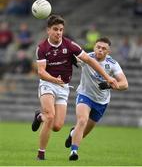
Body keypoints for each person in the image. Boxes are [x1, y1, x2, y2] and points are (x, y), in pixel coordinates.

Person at [31, 15, 118, 160]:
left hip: (63, 87)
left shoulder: (70, 45)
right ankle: (41, 154)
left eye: (61, 30)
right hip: (47, 84)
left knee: (57, 126)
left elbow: (90, 60)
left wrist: (108, 77)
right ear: (48, 30)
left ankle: (40, 116)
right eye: (55, 29)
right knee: (51, 116)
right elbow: (41, 72)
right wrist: (53, 79)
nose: (59, 32)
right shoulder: (42, 48)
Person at [65, 37, 128, 161]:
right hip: (85, 95)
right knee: (82, 121)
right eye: (98, 47)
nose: (100, 50)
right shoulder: (87, 57)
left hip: (101, 101)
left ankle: (73, 133)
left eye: (104, 48)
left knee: (82, 132)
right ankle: (74, 152)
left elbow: (125, 84)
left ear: (108, 51)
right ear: (94, 47)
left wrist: (110, 85)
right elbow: (74, 60)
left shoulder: (113, 64)